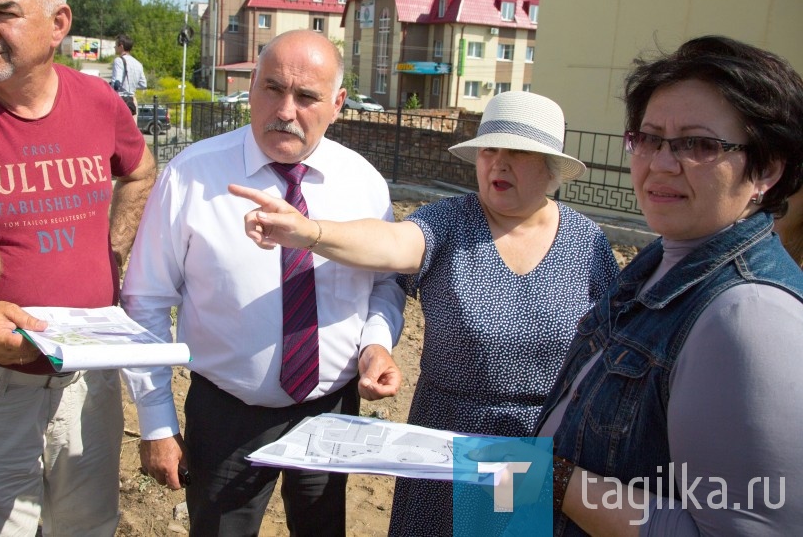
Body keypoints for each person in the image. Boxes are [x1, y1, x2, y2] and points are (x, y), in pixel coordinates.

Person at [234, 89, 619, 535]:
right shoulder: (450, 223)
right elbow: (390, 243)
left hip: (534, 444)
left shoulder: (588, 245)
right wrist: (310, 232)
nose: (498, 163)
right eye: (489, 149)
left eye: (518, 152)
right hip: (447, 442)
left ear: (551, 167)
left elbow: (610, 352)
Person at [121, 29, 406, 535]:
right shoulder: (192, 175)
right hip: (226, 414)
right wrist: (157, 421)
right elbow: (146, 299)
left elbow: (385, 283)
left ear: (338, 104)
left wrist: (375, 345)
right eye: (272, 88)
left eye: (307, 97)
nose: (285, 110)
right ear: (251, 87)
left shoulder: (362, 182)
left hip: (331, 409)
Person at [533, 36, 803, 535]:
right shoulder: (659, 260)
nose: (659, 163)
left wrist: (545, 477)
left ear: (766, 167)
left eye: (698, 144)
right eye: (650, 138)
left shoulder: (750, 316)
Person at [0, 0, 157, 537]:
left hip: (87, 376)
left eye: (3, 13)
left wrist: (113, 247)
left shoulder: (97, 102)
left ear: (58, 25)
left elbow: (139, 170)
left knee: (86, 526)